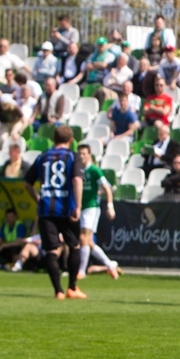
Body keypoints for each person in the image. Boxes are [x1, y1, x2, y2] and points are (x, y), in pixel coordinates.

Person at [23, 126, 85, 299]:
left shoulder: (42, 157)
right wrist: (78, 206)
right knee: (74, 246)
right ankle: (72, 287)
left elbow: (27, 183)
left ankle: (58, 291)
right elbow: (77, 180)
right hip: (66, 209)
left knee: (51, 251)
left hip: (46, 209)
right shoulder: (73, 156)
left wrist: (38, 199)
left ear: (53, 139)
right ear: (71, 140)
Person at [76, 145, 119, 280]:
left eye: (84, 154)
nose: (82, 156)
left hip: (91, 207)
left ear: (89, 155)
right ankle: (110, 264)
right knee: (88, 241)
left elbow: (107, 187)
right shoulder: (78, 170)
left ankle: (81, 272)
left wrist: (110, 206)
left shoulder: (94, 170)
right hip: (81, 207)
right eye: (80, 154)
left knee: (84, 238)